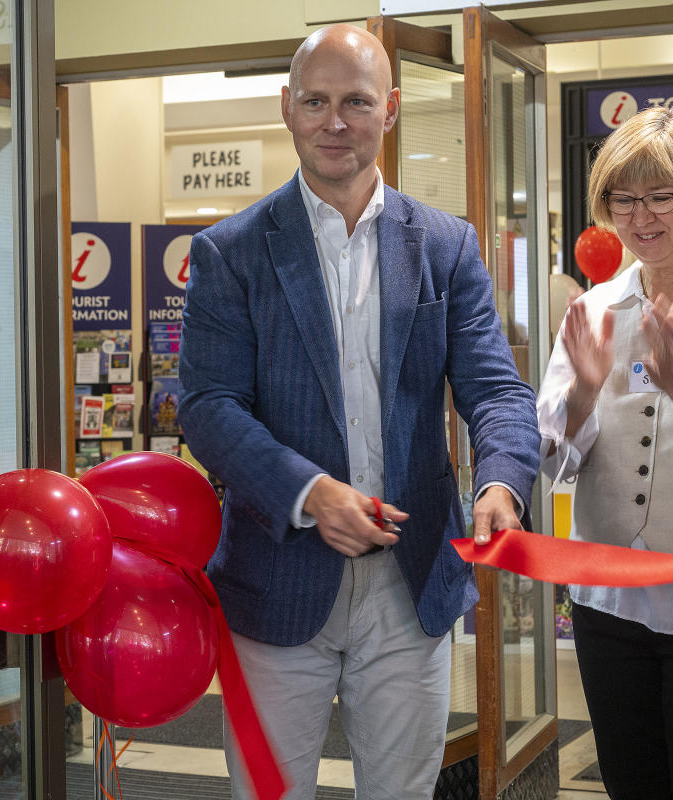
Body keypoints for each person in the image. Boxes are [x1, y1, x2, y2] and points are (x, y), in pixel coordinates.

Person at [178, 23, 541, 800]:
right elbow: (209, 407)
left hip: (411, 586)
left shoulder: (444, 246)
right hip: (275, 581)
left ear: (392, 109)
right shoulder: (230, 253)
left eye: (357, 102)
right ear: (287, 108)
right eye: (315, 102)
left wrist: (501, 484)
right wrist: (310, 494)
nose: (334, 122)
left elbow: (497, 392)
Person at [536, 106, 673, 800]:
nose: (641, 217)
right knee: (630, 780)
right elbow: (553, 456)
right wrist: (584, 394)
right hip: (608, 601)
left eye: (661, 196)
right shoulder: (592, 310)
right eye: (623, 200)